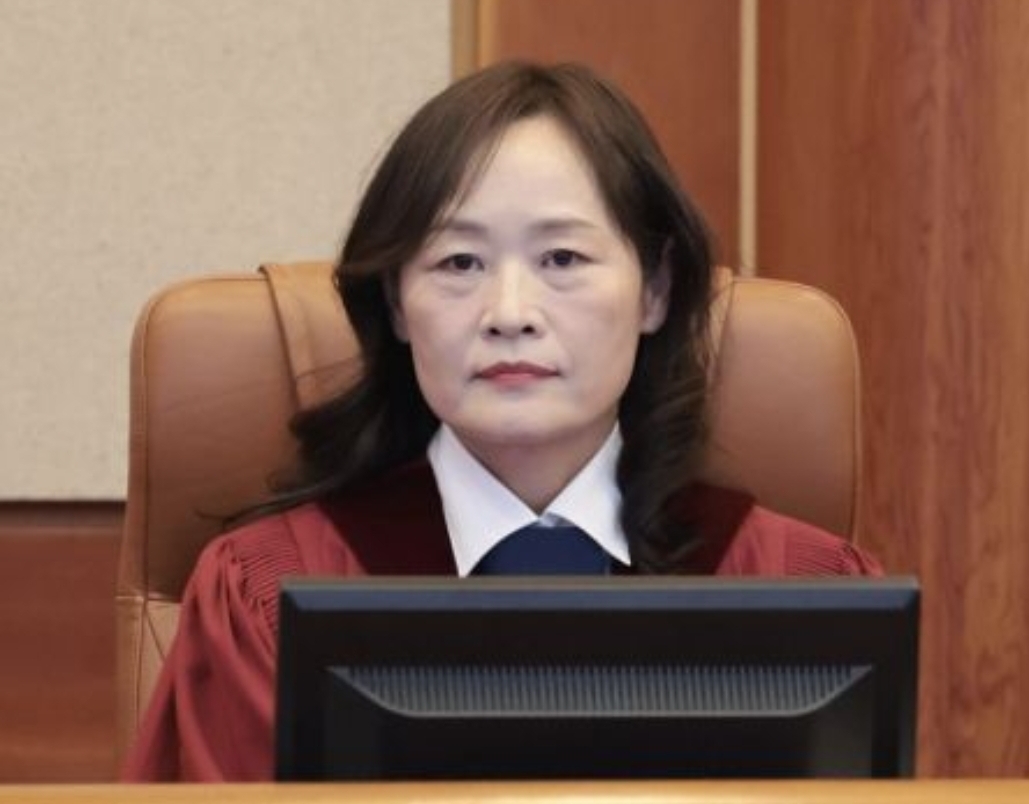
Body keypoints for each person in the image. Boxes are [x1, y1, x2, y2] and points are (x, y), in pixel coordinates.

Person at [122, 60, 882, 782]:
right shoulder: (269, 597)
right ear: (396, 303)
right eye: (459, 263)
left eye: (562, 259)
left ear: (654, 289)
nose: (510, 313)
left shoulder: (797, 588)